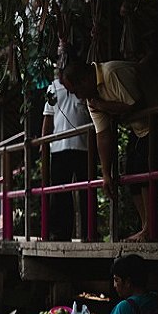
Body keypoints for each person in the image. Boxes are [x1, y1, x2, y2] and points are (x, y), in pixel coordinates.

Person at [60, 54, 158, 242]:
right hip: (142, 129)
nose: (78, 97)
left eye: (76, 91)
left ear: (85, 80)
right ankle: (146, 226)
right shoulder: (92, 98)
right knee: (130, 172)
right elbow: (103, 134)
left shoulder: (112, 73)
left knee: (145, 168)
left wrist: (104, 105)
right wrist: (105, 173)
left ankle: (151, 229)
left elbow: (136, 104)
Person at [41, 76, 93, 240]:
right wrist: (44, 144)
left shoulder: (84, 83)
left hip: (83, 146)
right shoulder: (53, 87)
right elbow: (48, 117)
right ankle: (61, 233)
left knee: (87, 190)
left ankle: (89, 232)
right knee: (60, 193)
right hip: (59, 148)